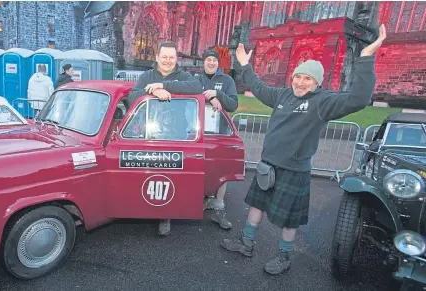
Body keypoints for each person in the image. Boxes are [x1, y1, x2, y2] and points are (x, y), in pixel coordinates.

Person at [221, 24, 387, 275]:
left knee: (290, 218)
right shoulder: (283, 96)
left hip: (294, 170)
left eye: (307, 78)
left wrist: (366, 58)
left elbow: (358, 99)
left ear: (316, 82)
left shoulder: (323, 102)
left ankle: (284, 255)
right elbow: (258, 88)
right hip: (269, 165)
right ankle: (246, 242)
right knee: (256, 205)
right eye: (298, 76)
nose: (300, 82)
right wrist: (244, 65)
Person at [128, 41, 203, 236]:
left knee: (168, 179)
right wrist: (151, 90)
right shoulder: (146, 76)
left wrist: (164, 84)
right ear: (157, 58)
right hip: (148, 133)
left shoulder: (184, 76)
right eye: (164, 57)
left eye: (171, 57)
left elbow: (196, 86)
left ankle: (165, 216)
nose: (168, 61)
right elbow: (131, 97)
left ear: (176, 59)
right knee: (146, 173)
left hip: (175, 136)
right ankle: (143, 209)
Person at [196, 48, 239, 230]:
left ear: (218, 63)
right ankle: (202, 201)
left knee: (221, 170)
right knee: (199, 167)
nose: (211, 63)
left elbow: (233, 104)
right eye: (208, 60)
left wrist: (217, 94)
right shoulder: (196, 79)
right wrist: (208, 97)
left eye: (214, 60)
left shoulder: (227, 80)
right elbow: (187, 96)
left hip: (219, 132)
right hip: (197, 131)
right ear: (203, 62)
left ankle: (219, 208)